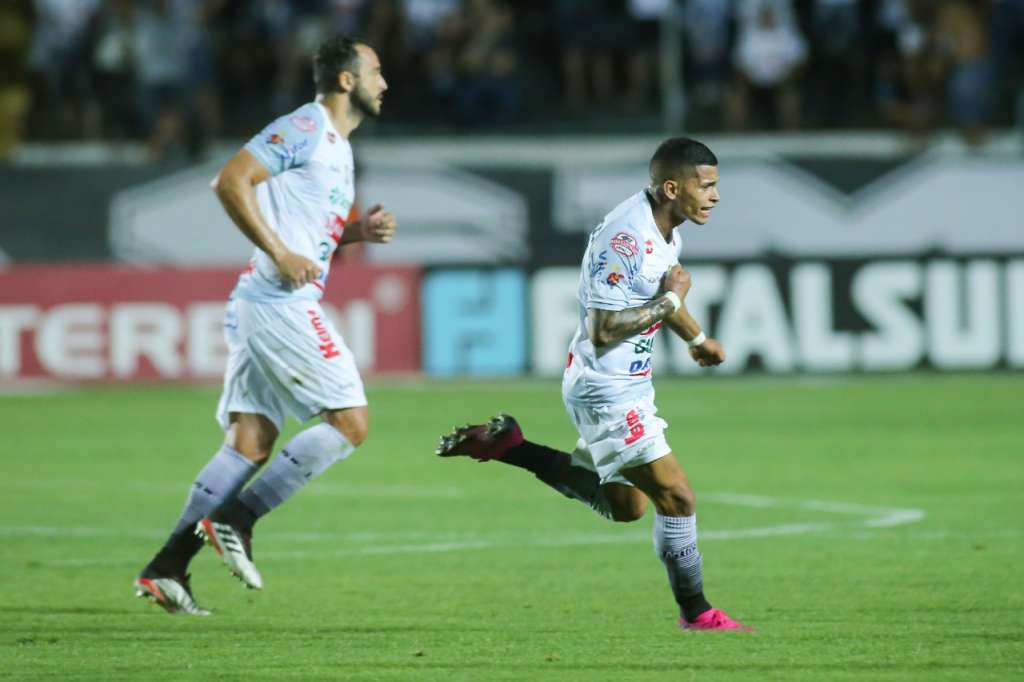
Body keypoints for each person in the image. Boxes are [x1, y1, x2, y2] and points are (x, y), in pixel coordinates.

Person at [437, 137, 749, 631]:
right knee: (679, 497)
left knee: (625, 507)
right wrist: (670, 305)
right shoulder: (625, 238)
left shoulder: (668, 227)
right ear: (672, 187)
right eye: (705, 186)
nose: (714, 196)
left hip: (626, 383)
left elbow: (663, 291)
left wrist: (697, 337)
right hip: (606, 386)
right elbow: (604, 329)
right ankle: (698, 612)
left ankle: (512, 446)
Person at [134, 35, 395, 615]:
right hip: (278, 300)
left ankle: (168, 567)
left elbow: (309, 233)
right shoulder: (305, 127)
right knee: (351, 422)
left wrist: (354, 234)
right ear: (346, 81)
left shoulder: (337, 147)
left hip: (262, 299)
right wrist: (279, 253)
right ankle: (238, 519)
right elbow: (229, 181)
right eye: (376, 71)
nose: (386, 82)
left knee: (250, 442)